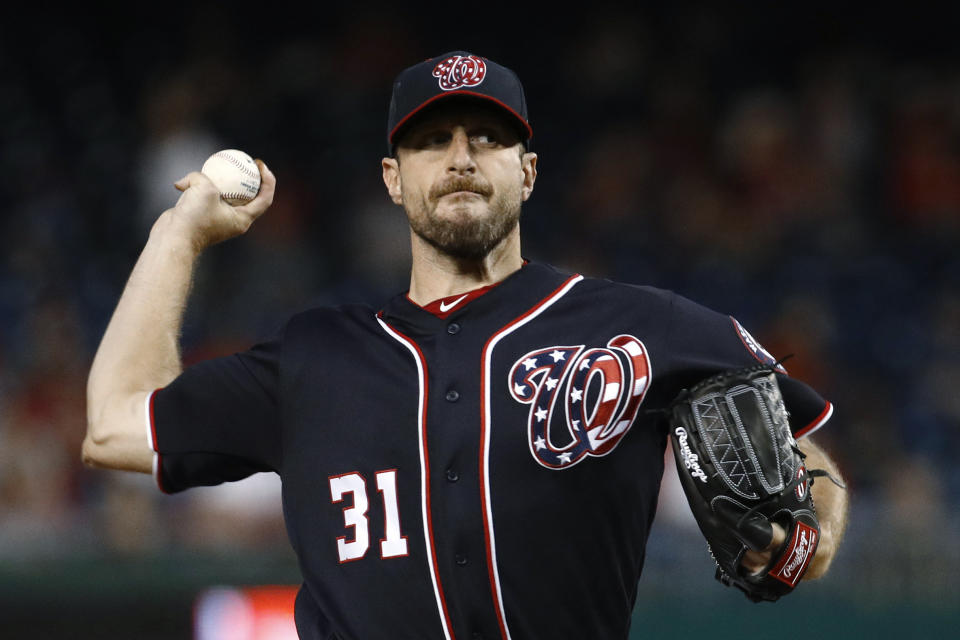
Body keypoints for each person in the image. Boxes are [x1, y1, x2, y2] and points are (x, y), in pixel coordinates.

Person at [84, 51, 848, 639]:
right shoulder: (316, 358)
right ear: (392, 177)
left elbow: (805, 455)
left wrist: (806, 535)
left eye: (488, 137)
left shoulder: (638, 326)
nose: (459, 157)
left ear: (528, 172)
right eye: (430, 141)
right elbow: (115, 424)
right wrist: (177, 235)